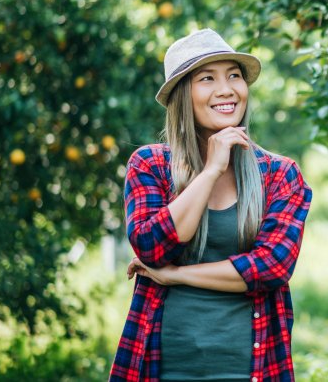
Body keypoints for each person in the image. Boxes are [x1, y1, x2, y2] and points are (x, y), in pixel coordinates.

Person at [109, 28, 313, 382]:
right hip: (162, 366)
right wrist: (211, 170)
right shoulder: (150, 165)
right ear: (182, 97)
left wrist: (175, 275)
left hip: (252, 368)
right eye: (207, 78)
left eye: (234, 75)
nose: (226, 89)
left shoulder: (280, 175)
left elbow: (271, 268)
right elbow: (152, 248)